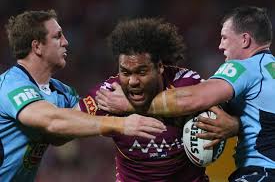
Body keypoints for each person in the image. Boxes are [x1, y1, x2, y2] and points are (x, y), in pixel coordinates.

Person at [96, 6, 275, 181]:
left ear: (245, 40)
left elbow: (190, 99)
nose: (221, 46)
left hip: (262, 172)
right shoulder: (269, 71)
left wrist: (130, 105)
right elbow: (264, 119)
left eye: (224, 38)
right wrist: (238, 125)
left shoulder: (245, 67)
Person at [0, 10, 166, 182]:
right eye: (58, 36)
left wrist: (129, 103)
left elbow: (60, 134)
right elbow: (52, 121)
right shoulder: (12, 85)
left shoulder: (63, 93)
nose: (66, 42)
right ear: (37, 47)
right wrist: (121, 124)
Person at [80, 17, 212, 182]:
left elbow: (195, 100)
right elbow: (68, 122)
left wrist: (129, 106)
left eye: (142, 72)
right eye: (126, 73)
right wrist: (114, 124)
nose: (133, 81)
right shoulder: (110, 93)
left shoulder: (184, 81)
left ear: (160, 67)